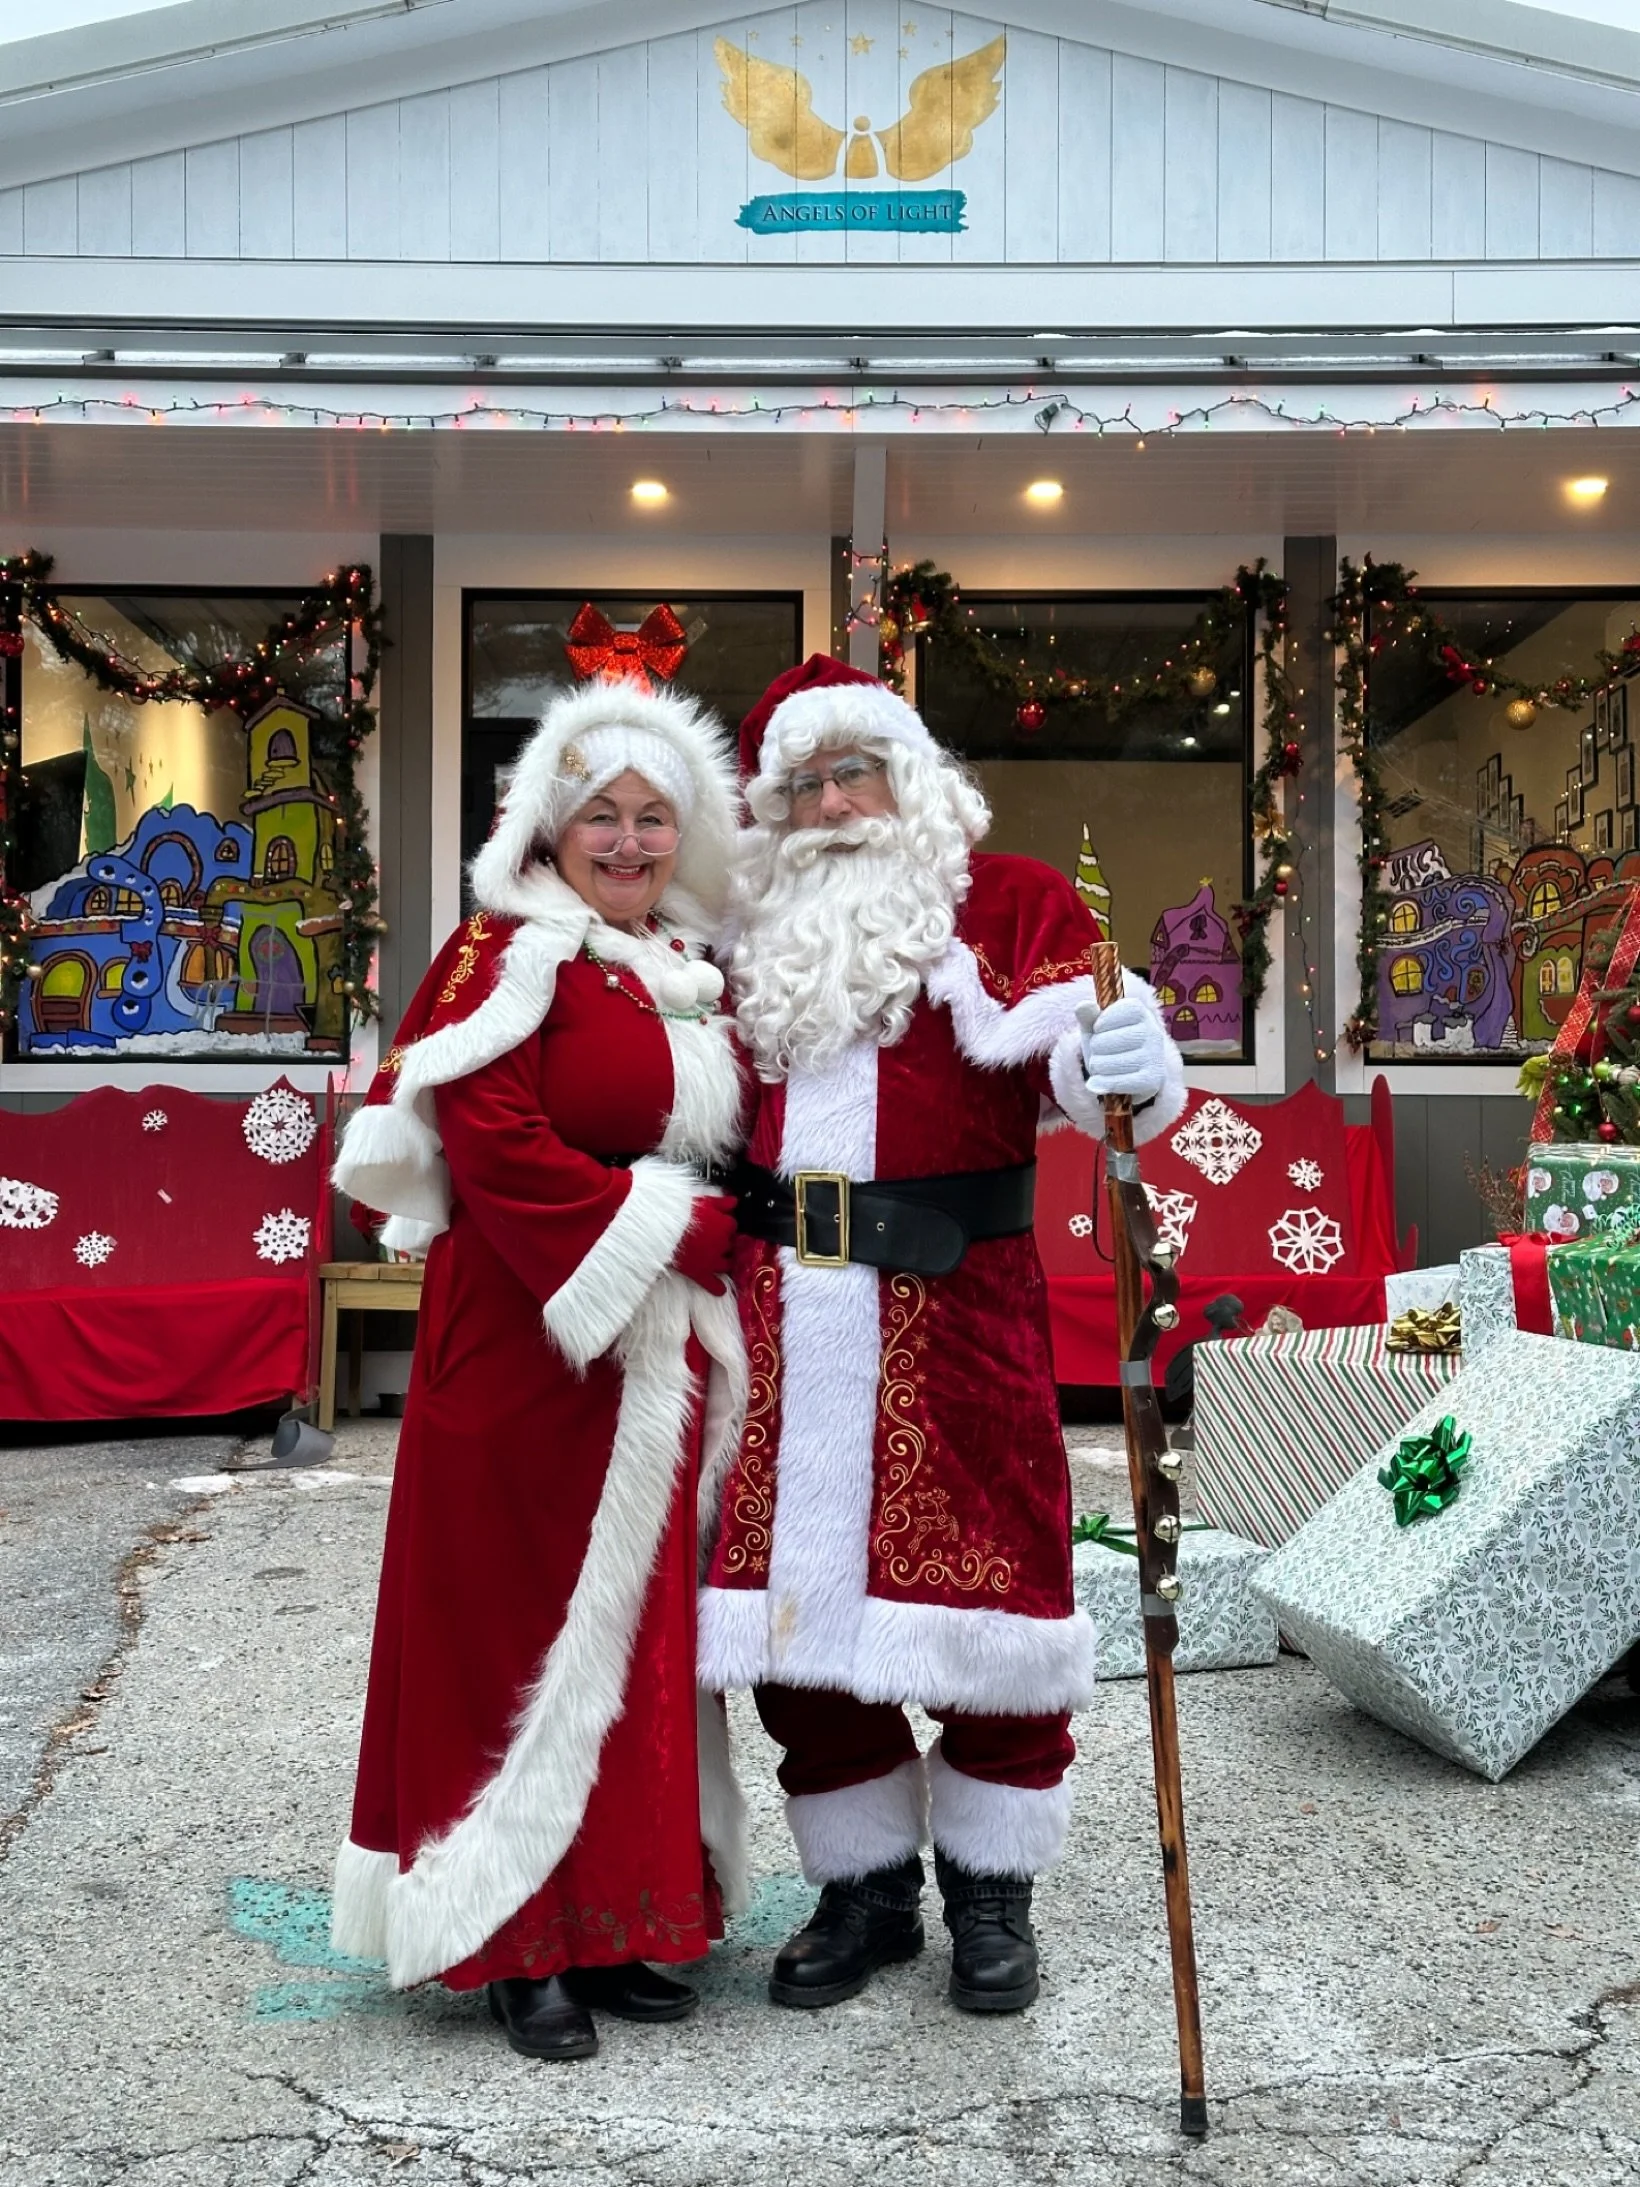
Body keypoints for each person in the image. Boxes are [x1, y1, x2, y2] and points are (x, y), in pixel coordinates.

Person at [698, 655, 1186, 2016]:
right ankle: (864, 1893)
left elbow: (1087, 1067)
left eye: (860, 768)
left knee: (994, 1612)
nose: (838, 798)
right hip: (780, 1318)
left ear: (912, 779)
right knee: (799, 1628)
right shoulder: (738, 938)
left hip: (958, 1320)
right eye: (806, 780)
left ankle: (989, 1891)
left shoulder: (1008, 901)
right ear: (771, 808)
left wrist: (1126, 1056)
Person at [329, 680, 748, 2063]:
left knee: (631, 1640)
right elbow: (489, 1137)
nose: (626, 843)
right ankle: (512, 1937)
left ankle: (622, 1917)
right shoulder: (500, 952)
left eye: (651, 819)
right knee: (509, 1638)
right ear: (550, 828)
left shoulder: (684, 965)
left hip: (650, 1362)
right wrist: (675, 1223)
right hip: (521, 1350)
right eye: (600, 819)